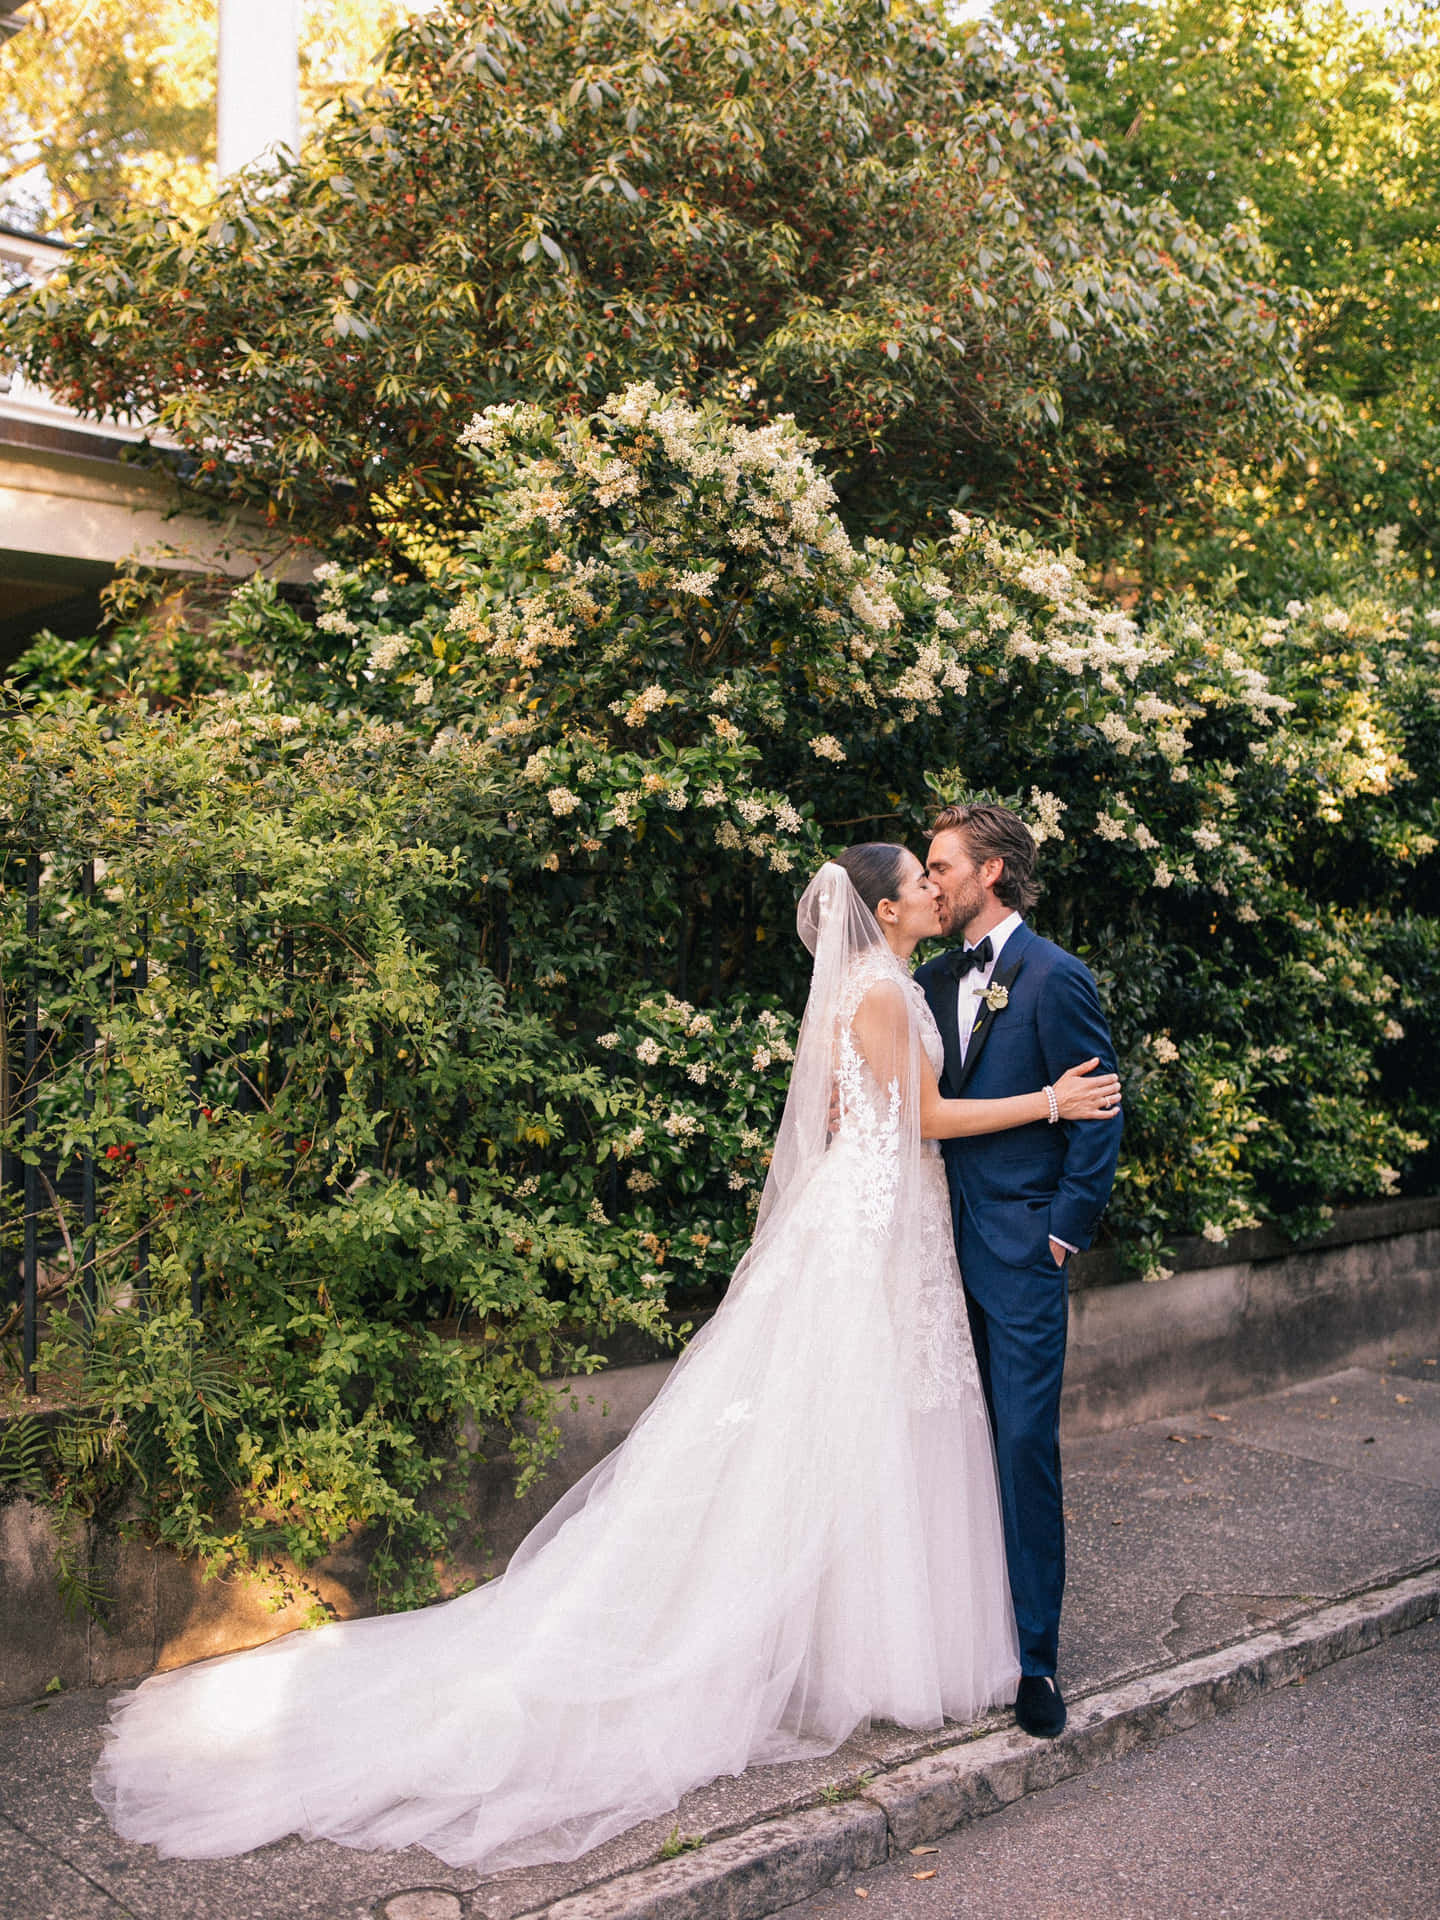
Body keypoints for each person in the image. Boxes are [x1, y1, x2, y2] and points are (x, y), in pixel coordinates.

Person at [93, 847, 1120, 1872]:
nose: (937, 888)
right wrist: (1048, 1104)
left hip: (886, 1220)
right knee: (852, 1424)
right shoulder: (890, 991)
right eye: (922, 878)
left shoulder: (898, 981)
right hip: (877, 1229)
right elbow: (924, 1118)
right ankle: (843, 1649)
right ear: (889, 906)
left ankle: (853, 1642)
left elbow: (858, 1115)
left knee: (856, 1431)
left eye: (945, 872)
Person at [916, 805, 1125, 1740]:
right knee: (944, 1448)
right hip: (927, 1252)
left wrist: (1063, 1235)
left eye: (942, 865)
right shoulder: (924, 979)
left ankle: (1034, 1657)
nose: (931, 881)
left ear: (992, 871)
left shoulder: (1056, 977)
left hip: (1022, 1252)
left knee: (1021, 1447)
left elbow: (1101, 1110)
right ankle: (954, 1636)